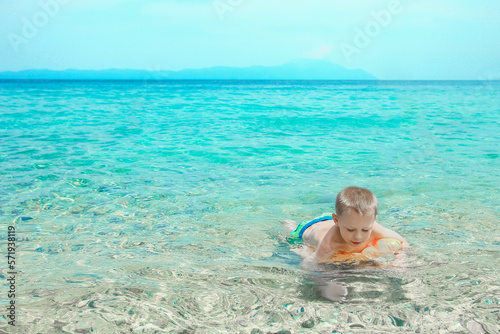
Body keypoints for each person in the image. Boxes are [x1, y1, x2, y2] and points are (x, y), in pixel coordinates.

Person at [284, 186, 409, 266]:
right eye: (351, 230)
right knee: (296, 246)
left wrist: (400, 259)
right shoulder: (328, 244)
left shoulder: (368, 224)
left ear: (374, 221)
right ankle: (290, 224)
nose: (358, 236)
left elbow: (403, 243)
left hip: (344, 218)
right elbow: (309, 264)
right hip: (308, 229)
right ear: (336, 220)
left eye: (366, 229)